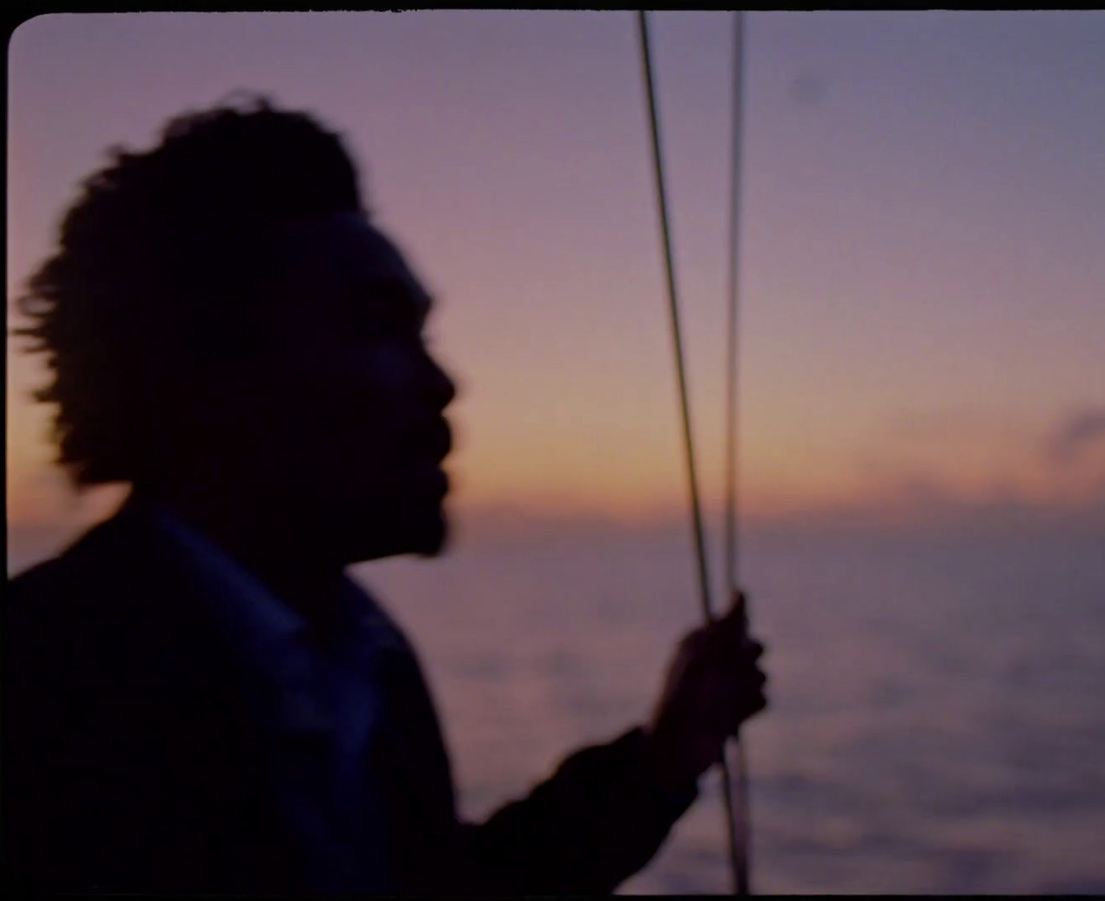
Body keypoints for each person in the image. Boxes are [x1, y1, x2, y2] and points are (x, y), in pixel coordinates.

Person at [3, 95, 768, 895]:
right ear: (208, 375)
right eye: (376, 327)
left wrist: (663, 757)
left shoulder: (369, 657)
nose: (440, 382)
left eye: (421, 334)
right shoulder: (35, 695)